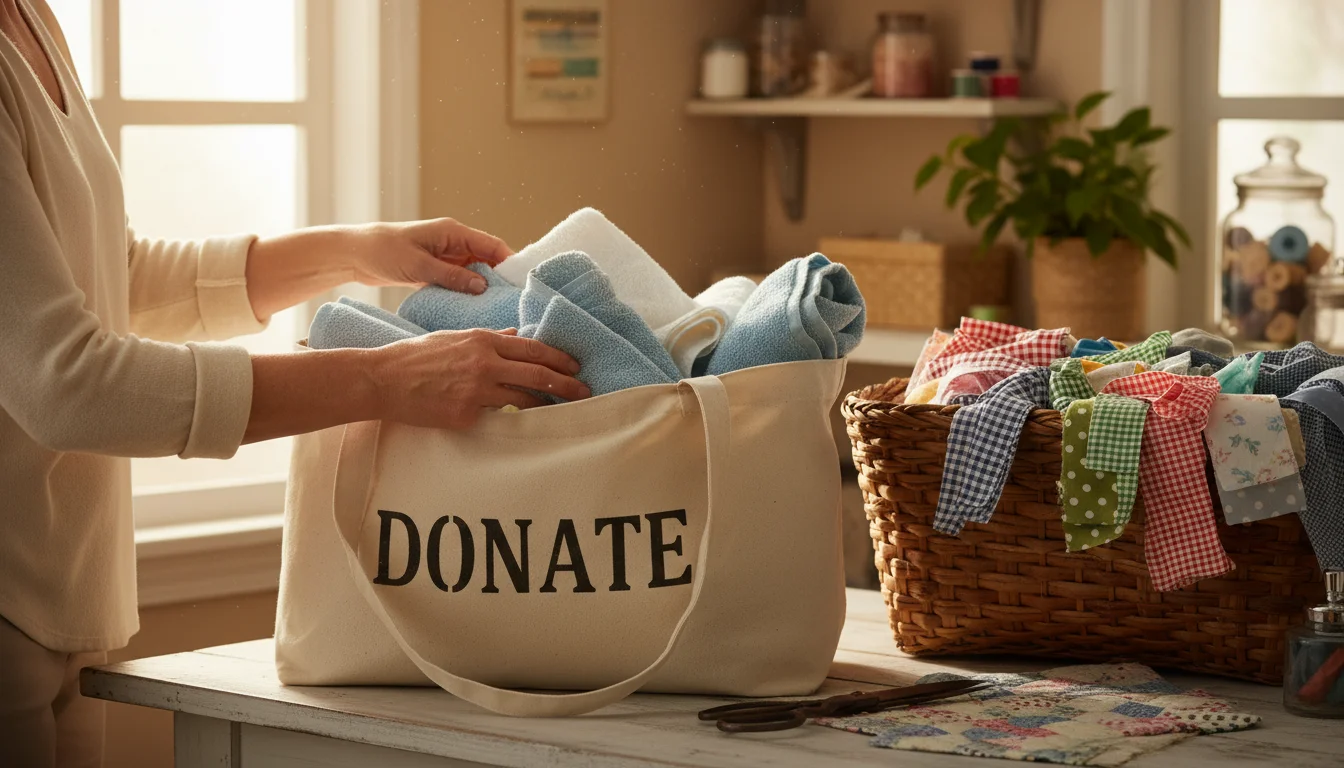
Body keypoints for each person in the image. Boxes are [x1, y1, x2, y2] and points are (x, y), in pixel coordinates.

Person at [0, 1, 591, 765]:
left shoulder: (32, 18)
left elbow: (111, 277)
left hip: (62, 593)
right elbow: (66, 384)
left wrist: (354, 252)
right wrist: (383, 378)